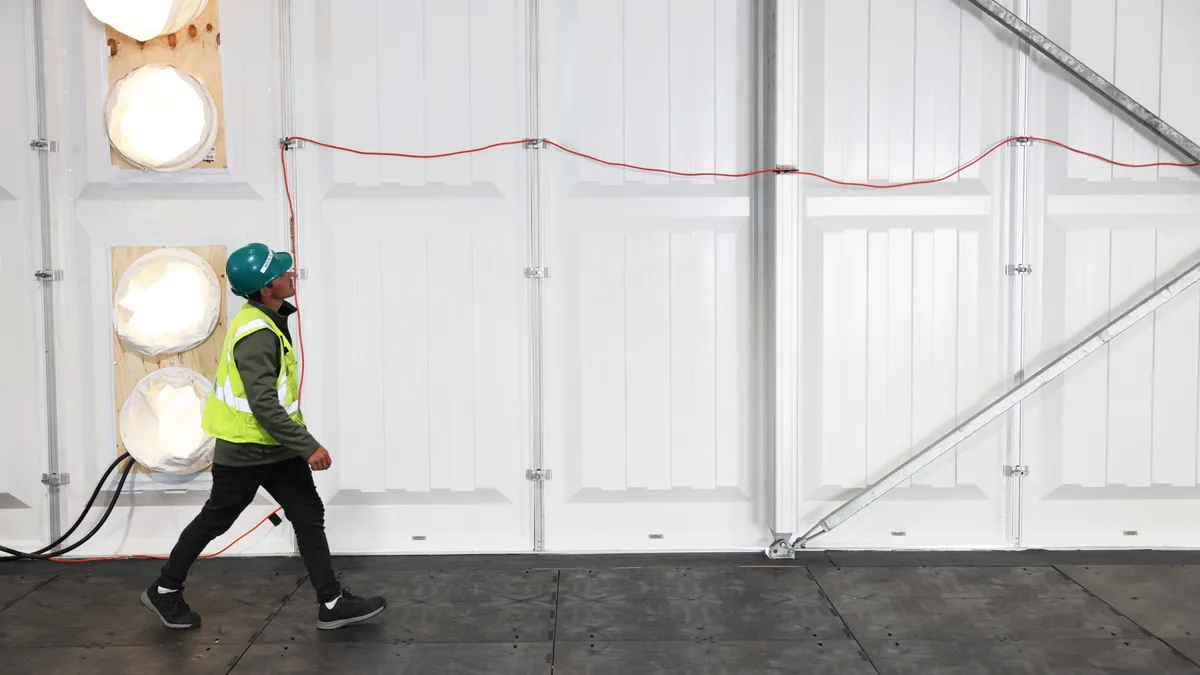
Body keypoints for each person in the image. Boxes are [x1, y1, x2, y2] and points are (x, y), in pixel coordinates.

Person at [141, 243, 386, 631]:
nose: (291, 275)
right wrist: (309, 447)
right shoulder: (256, 333)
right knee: (215, 520)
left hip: (274, 446)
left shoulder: (266, 316)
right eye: (282, 273)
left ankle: (332, 601)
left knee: (307, 514)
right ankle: (165, 590)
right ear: (266, 288)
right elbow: (264, 406)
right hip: (246, 449)